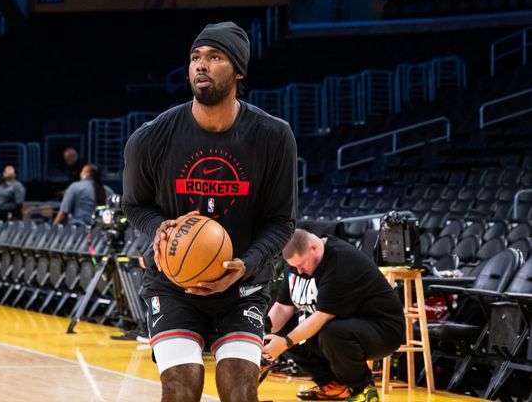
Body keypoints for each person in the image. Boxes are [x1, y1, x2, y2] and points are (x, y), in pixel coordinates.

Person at [122, 21, 298, 402]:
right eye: (195, 57)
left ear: (238, 71)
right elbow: (134, 204)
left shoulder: (273, 136)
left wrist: (246, 264)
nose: (201, 65)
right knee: (181, 387)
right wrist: (160, 228)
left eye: (215, 57)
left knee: (239, 389)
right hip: (174, 285)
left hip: (242, 287)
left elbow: (282, 220)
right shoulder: (150, 137)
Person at [261, 229, 405, 401]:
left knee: (331, 332)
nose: (298, 271)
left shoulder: (340, 261)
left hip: (383, 329)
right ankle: (333, 386)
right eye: (294, 266)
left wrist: (285, 343)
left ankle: (363, 390)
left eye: (301, 265)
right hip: (345, 324)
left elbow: (321, 317)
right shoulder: (298, 263)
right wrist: (260, 335)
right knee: (286, 330)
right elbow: (283, 308)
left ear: (314, 248)